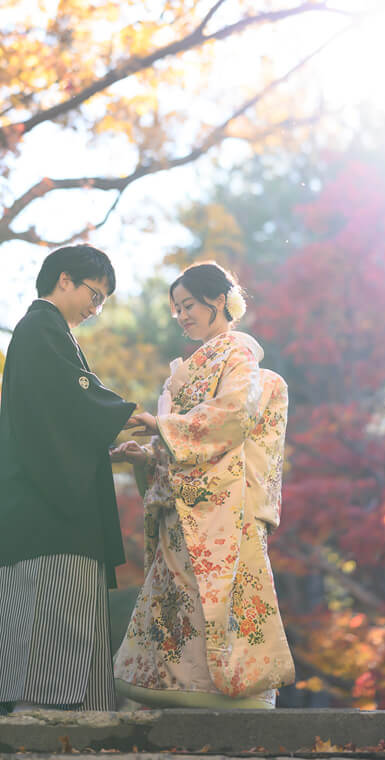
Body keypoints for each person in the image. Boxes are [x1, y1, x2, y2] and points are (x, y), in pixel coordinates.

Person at [111, 262, 295, 709]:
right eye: (176, 308)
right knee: (179, 598)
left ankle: (235, 694)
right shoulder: (186, 370)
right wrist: (149, 452)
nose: (181, 315)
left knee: (221, 596)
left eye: (188, 305)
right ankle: (178, 690)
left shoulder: (239, 357)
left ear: (218, 301)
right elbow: (180, 439)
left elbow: (233, 415)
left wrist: (161, 425)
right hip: (185, 503)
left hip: (227, 503)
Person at [0, 245, 140, 716]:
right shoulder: (41, 329)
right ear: (64, 280)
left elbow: (60, 418)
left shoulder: (45, 333)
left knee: (61, 604)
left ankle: (74, 711)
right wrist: (133, 416)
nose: (97, 307)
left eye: (104, 300)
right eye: (95, 293)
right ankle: (40, 707)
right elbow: (75, 399)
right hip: (48, 506)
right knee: (51, 599)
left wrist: (105, 441)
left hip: (39, 495)